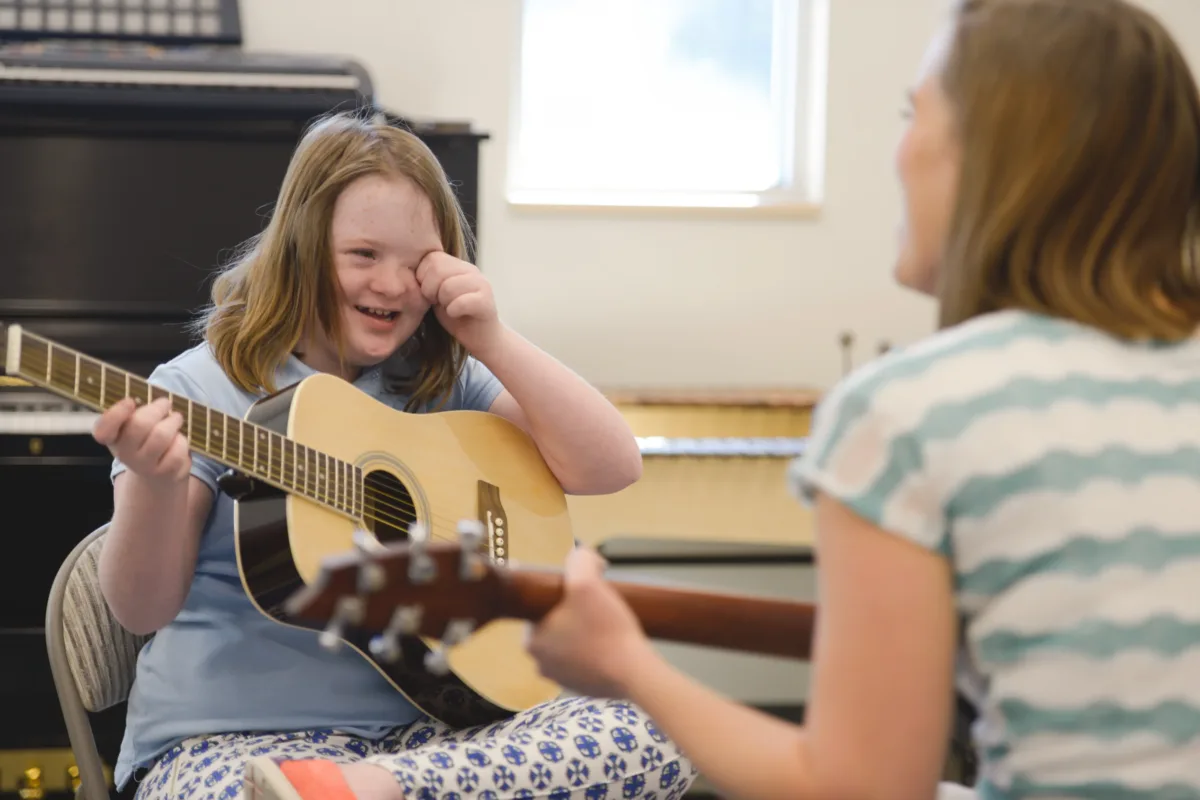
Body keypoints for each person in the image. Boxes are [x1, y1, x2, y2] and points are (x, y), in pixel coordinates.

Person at [525, 1, 1200, 799]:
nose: (898, 151)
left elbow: (861, 788)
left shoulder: (908, 413)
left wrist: (626, 665)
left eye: (913, 113)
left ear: (990, 160)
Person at [91, 110, 697, 800]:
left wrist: (490, 337)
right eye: (362, 256)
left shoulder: (443, 376)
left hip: (430, 738)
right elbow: (140, 610)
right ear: (301, 248)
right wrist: (154, 483)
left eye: (419, 264)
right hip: (227, 741)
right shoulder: (199, 387)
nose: (391, 285)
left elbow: (611, 465)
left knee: (657, 730)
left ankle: (365, 788)